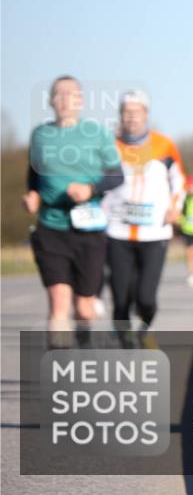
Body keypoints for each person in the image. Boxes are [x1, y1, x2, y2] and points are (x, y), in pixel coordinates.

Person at [23, 76, 124, 348]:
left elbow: (117, 175)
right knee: (58, 305)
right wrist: (32, 193)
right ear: (50, 101)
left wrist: (91, 189)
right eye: (59, 94)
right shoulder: (40, 135)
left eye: (71, 94)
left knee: (84, 309)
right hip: (50, 226)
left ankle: (83, 341)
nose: (65, 99)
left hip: (88, 228)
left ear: (81, 100)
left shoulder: (97, 133)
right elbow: (34, 173)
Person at [103, 90, 185, 347]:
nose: (131, 117)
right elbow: (95, 181)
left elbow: (179, 181)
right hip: (117, 231)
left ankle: (145, 325)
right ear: (120, 115)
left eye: (136, 112)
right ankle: (125, 338)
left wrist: (175, 207)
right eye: (126, 112)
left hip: (154, 231)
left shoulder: (164, 145)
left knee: (146, 297)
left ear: (146, 114)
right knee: (120, 296)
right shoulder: (109, 146)